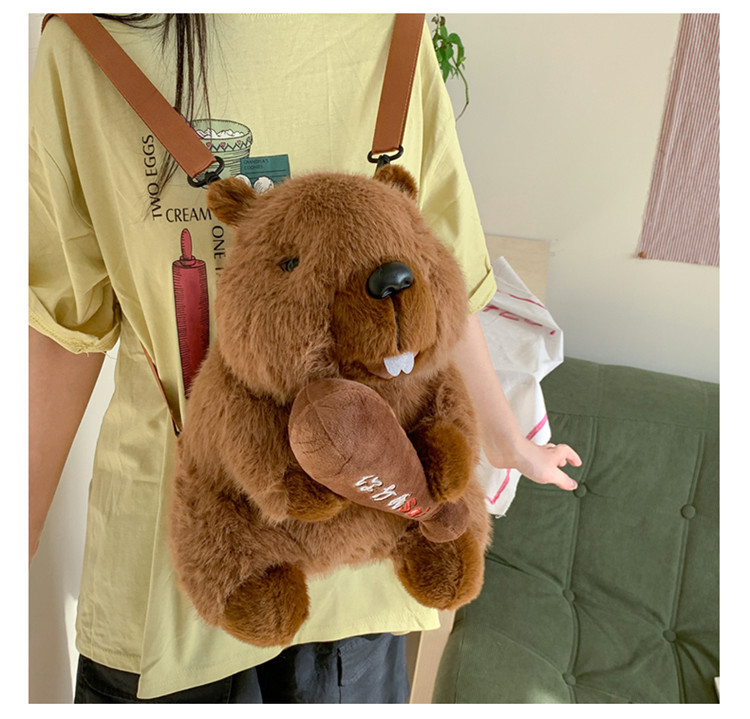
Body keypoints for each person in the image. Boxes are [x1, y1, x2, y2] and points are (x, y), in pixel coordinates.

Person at [29, 13, 581, 703]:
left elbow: (436, 284)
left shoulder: (396, 29)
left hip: (363, 583)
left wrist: (504, 439)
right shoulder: (88, 46)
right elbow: (62, 322)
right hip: (173, 571)